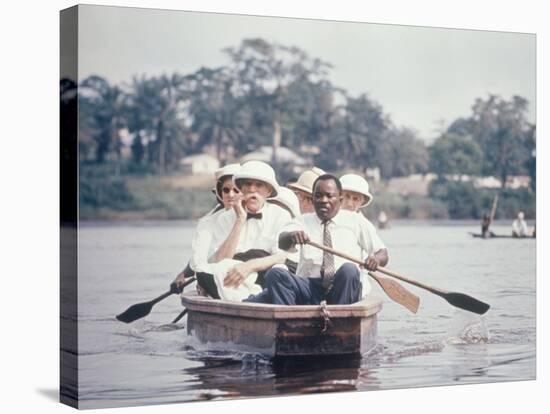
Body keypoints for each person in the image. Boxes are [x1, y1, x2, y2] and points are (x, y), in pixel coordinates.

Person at [246, 174, 388, 305]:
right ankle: (290, 325)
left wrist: (376, 259)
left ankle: (341, 323)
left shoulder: (356, 221)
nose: (323, 201)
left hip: (341, 286)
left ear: (340, 199)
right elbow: (282, 241)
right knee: (275, 274)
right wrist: (292, 236)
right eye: (318, 196)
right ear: (313, 198)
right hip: (309, 287)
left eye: (329, 196)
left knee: (349, 269)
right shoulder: (301, 221)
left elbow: (382, 253)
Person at [195, 160, 293, 301]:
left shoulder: (280, 215)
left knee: (278, 271)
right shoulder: (226, 218)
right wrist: (240, 219)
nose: (252, 190)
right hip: (233, 276)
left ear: (268, 191)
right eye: (248, 184)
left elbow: (282, 256)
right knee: (203, 273)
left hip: (264, 273)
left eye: (259, 185)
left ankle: (252, 299)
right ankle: (250, 299)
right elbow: (221, 261)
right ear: (241, 189)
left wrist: (249, 266)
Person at [170, 163, 241, 293]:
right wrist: (184, 275)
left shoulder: (251, 214)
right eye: (226, 190)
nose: (231, 195)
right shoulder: (210, 220)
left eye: (236, 190)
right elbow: (202, 255)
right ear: (219, 192)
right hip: (218, 275)